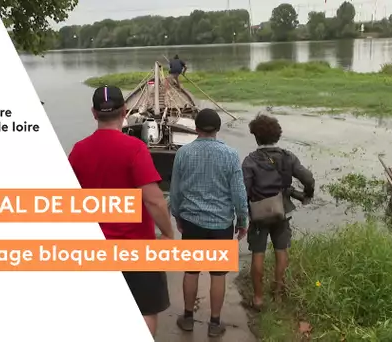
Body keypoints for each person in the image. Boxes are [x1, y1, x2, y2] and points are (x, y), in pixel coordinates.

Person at [68, 85, 174, 337]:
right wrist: (168, 234)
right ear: (125, 111)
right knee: (145, 311)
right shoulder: (135, 149)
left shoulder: (78, 151)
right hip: (136, 247)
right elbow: (154, 201)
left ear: (94, 113)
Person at [170, 108, 248, 338]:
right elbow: (238, 194)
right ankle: (214, 323)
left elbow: (175, 190)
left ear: (195, 128)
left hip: (192, 221)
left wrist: (178, 216)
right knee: (218, 275)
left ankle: (187, 318)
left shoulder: (183, 153)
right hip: (221, 224)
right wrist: (242, 220)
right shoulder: (231, 155)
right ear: (218, 129)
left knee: (191, 272)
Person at [242, 114, 315, 311]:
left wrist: (244, 212)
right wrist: (307, 194)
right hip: (281, 211)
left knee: (258, 254)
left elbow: (244, 190)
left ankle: (258, 299)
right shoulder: (288, 157)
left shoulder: (250, 161)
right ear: (278, 135)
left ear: (255, 136)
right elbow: (308, 178)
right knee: (281, 251)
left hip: (258, 214)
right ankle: (278, 295)